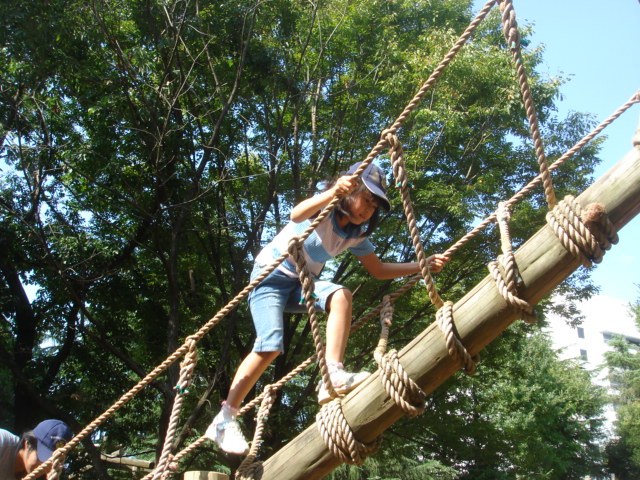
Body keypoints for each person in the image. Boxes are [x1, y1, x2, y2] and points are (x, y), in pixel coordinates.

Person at [205, 162, 449, 455]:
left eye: (374, 205)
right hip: (269, 278)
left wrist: (421, 267)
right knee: (270, 345)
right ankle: (225, 418)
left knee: (341, 295)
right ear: (349, 189)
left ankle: (332, 373)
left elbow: (378, 269)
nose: (368, 209)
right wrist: (333, 192)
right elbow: (296, 214)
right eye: (366, 198)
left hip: (300, 284)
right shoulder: (324, 208)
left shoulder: (355, 234)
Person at [0, 419, 73, 479]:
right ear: (27, 444)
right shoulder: (3, 441)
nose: (45, 467)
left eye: (50, 462)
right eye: (43, 457)